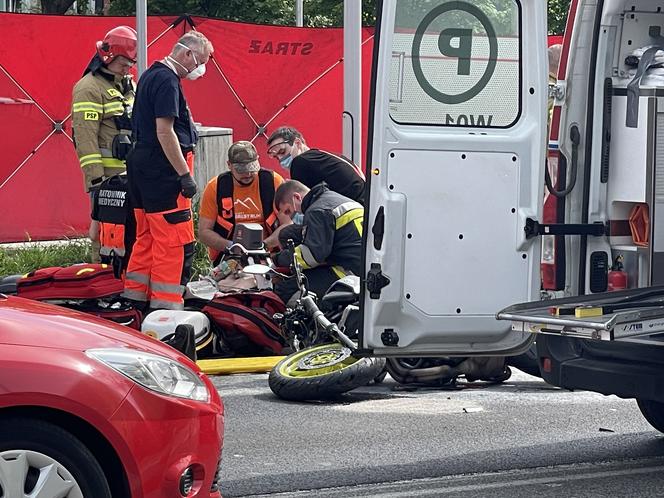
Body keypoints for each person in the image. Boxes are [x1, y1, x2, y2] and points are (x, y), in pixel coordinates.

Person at [122, 31, 213, 311]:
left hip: (142, 167)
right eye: (202, 61)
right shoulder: (167, 80)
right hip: (163, 171)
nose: (201, 68)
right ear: (188, 54)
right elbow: (165, 132)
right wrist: (184, 174)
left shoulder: (150, 75)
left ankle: (135, 300)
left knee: (146, 236)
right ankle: (166, 307)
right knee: (173, 240)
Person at [72, 26, 137, 263]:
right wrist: (96, 181)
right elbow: (85, 138)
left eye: (130, 63)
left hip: (131, 176)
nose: (128, 68)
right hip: (107, 179)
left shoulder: (127, 84)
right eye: (123, 63)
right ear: (108, 58)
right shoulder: (88, 89)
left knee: (129, 235)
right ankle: (100, 281)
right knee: (103, 236)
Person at [272, 180, 364, 306]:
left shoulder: (317, 210)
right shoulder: (333, 198)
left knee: (286, 289)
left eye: (288, 211)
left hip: (348, 272)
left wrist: (276, 260)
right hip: (363, 264)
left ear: (297, 197)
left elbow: (311, 255)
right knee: (288, 233)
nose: (292, 215)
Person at [198, 140, 285, 265]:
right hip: (230, 256)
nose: (248, 174)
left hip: (270, 255)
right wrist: (232, 247)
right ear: (229, 165)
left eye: (252, 168)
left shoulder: (273, 182)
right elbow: (204, 233)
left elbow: (287, 224)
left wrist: (264, 245)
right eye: (241, 170)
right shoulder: (216, 187)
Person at [266, 126, 366, 204]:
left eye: (282, 152)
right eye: (276, 157)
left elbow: (302, 204)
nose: (280, 159)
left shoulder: (300, 162)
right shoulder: (326, 156)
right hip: (364, 206)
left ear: (298, 143)